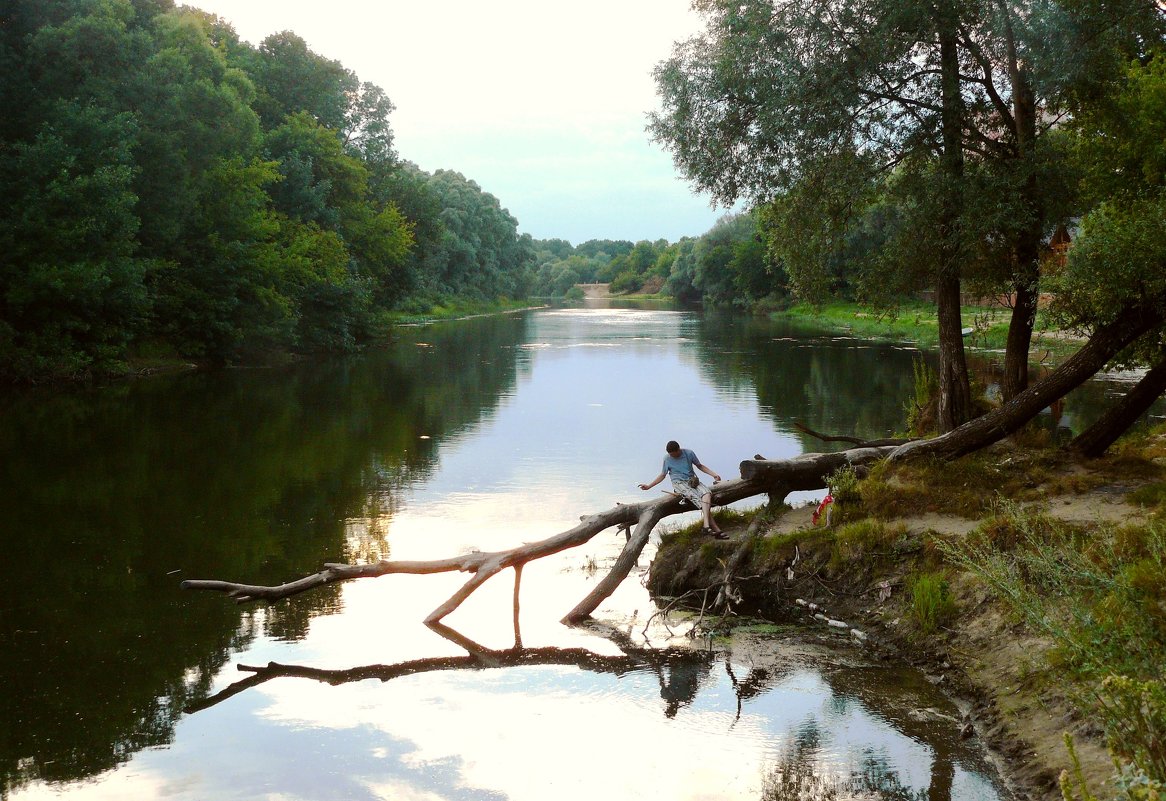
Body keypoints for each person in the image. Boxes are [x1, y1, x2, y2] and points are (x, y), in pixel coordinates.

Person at [639, 440, 726, 539]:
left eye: (673, 454)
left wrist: (714, 474)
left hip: (692, 480)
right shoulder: (667, 458)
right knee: (697, 499)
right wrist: (648, 486)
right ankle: (715, 528)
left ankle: (707, 526)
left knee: (706, 493)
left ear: (678, 450)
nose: (672, 456)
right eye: (670, 454)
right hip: (679, 483)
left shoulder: (689, 453)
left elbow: (700, 466)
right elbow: (662, 475)